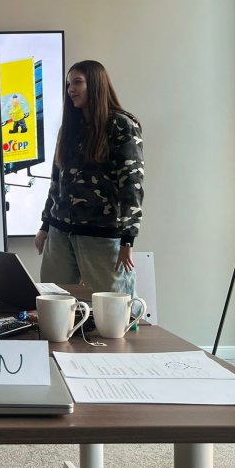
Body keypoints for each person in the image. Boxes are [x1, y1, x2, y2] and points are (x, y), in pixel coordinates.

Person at [34, 60, 143, 295]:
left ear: (95, 84)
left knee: (114, 305)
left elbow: (131, 184)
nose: (71, 89)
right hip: (60, 232)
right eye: (68, 84)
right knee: (52, 301)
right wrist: (45, 225)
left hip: (100, 234)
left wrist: (128, 239)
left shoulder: (120, 125)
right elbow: (56, 181)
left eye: (77, 82)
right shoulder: (68, 129)